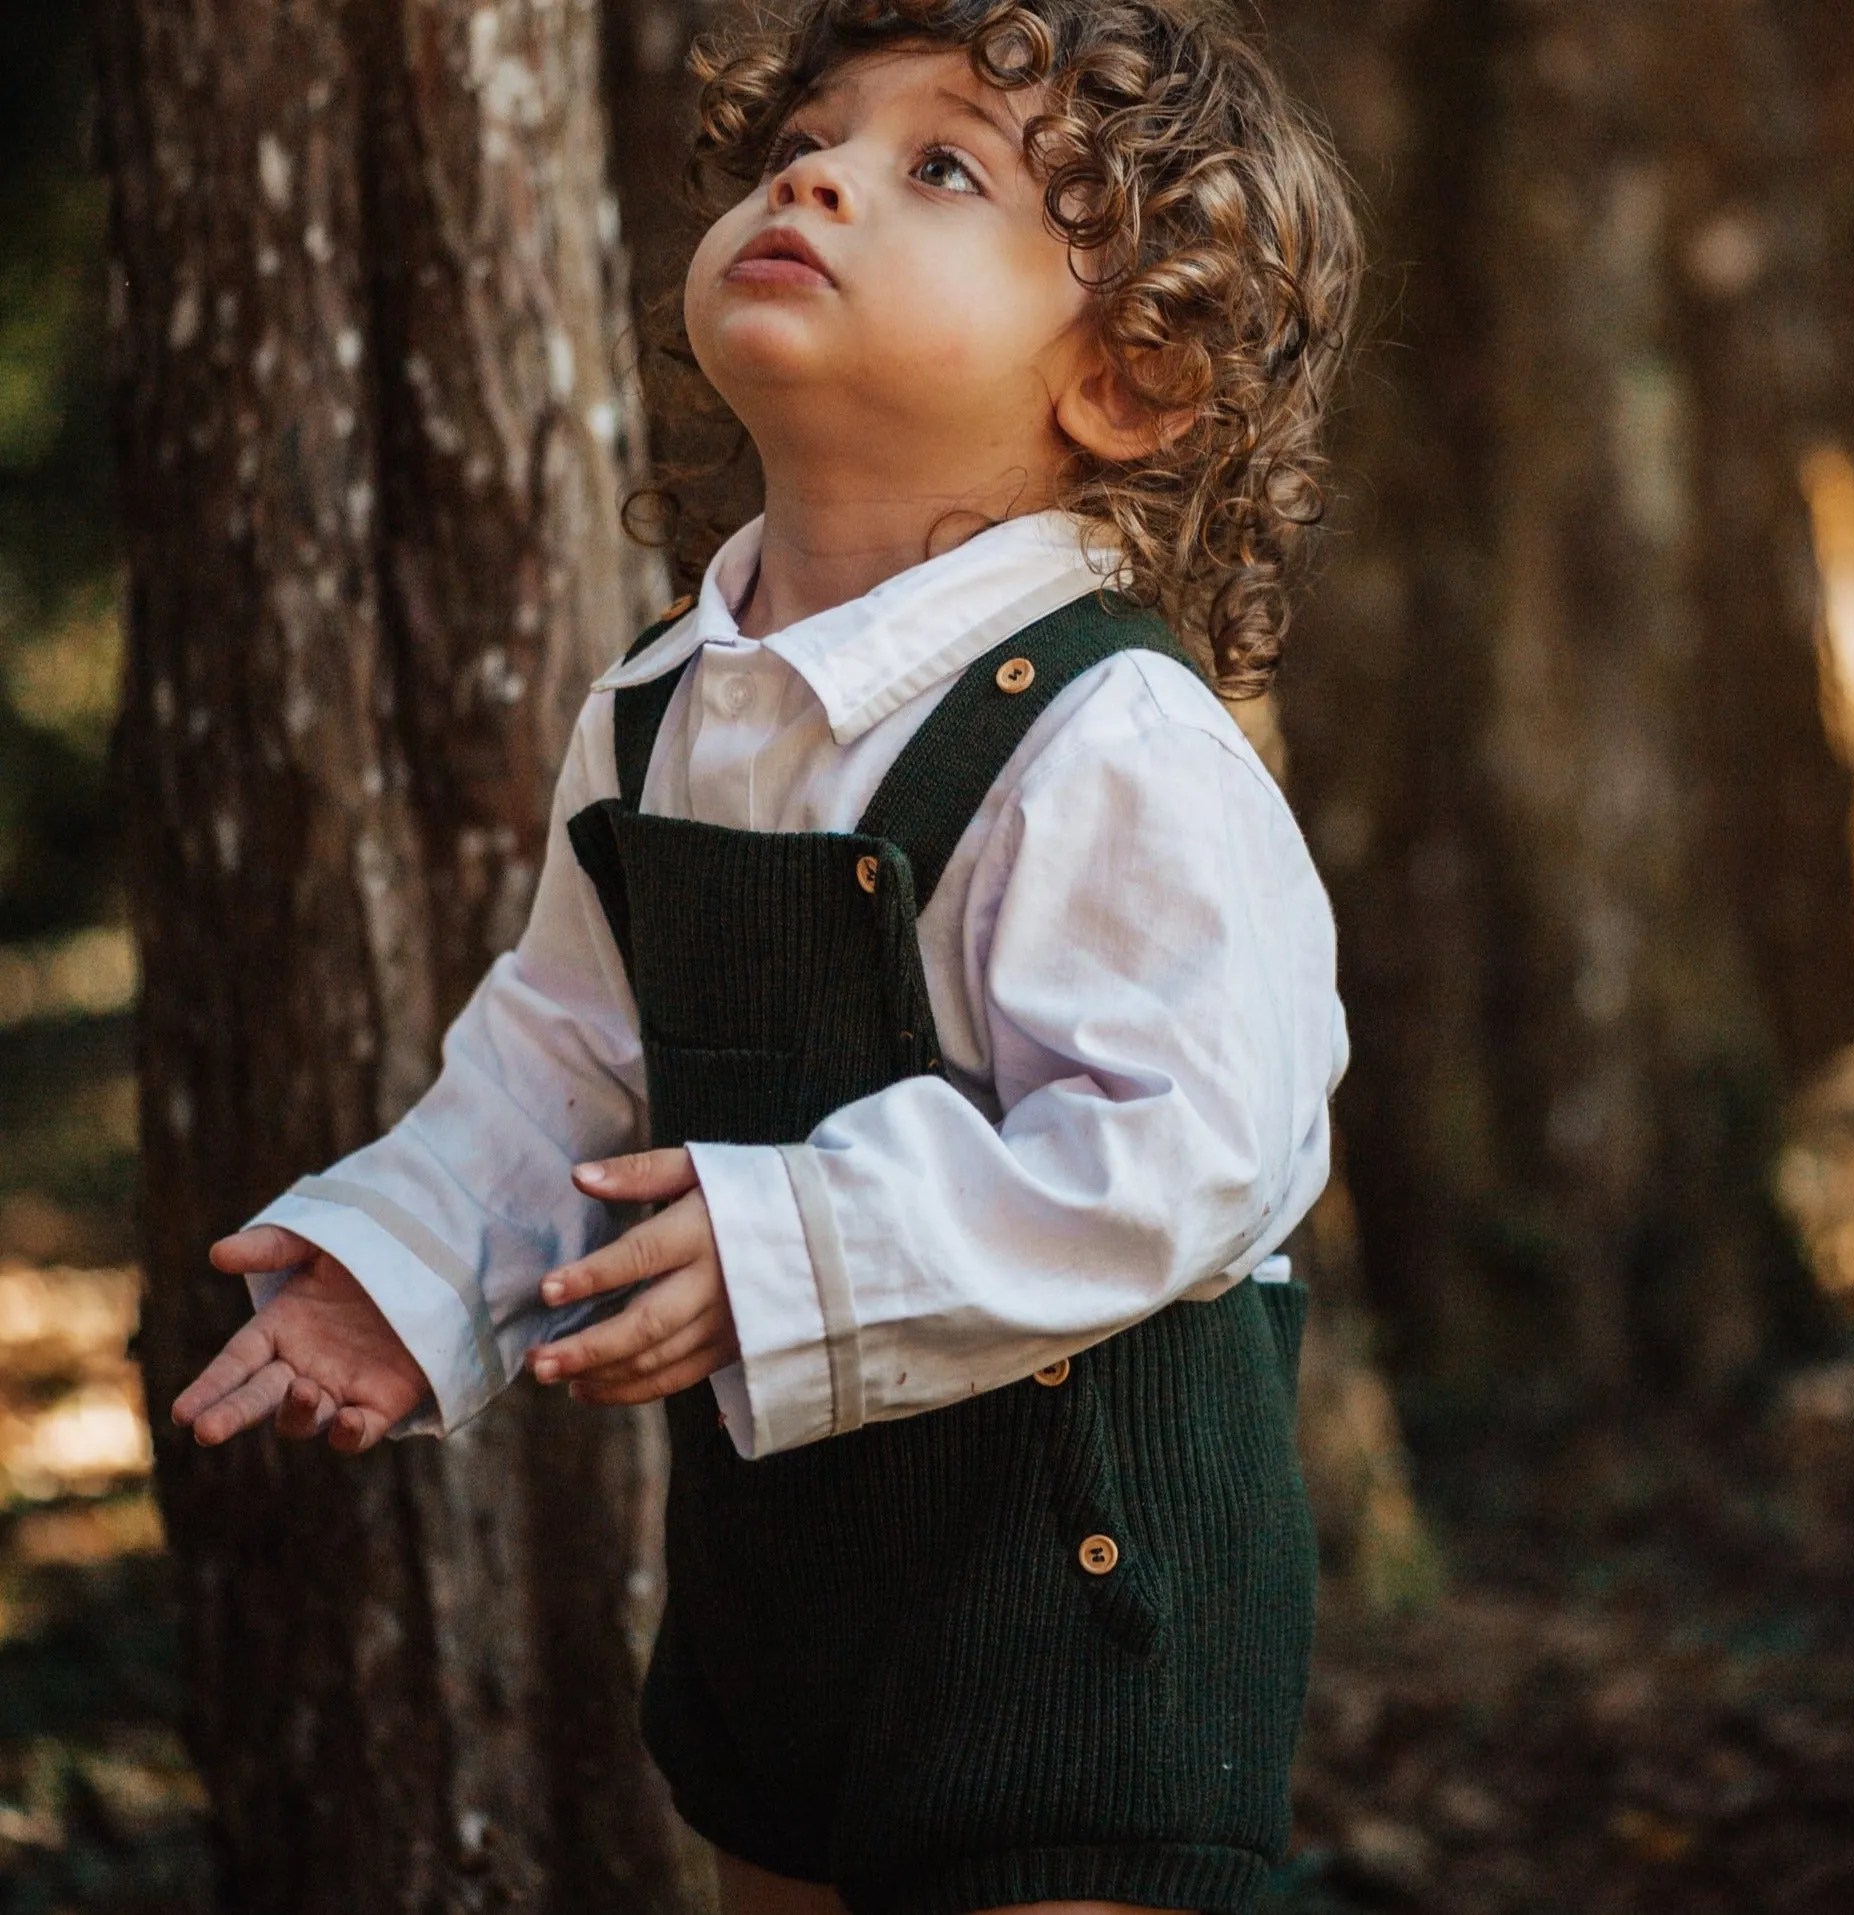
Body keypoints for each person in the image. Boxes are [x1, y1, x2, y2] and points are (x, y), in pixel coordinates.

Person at [171, 0, 1359, 1909]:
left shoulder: (1108, 737)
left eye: (940, 168)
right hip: (782, 1596)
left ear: (1130, 380)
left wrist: (786, 1238)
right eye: (807, 135)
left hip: (1083, 1615)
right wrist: (402, 1268)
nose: (814, 171)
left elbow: (1199, 1149)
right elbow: (560, 1060)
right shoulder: (661, 710)